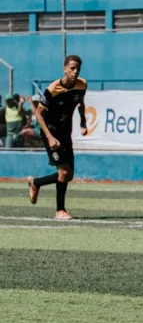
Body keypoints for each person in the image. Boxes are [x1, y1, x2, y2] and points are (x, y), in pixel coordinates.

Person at [27, 55, 88, 220]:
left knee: (68, 175)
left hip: (65, 133)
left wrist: (83, 122)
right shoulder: (52, 89)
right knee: (63, 171)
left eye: (78, 69)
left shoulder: (82, 85)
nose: (75, 72)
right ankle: (60, 210)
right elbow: (38, 114)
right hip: (51, 132)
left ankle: (36, 183)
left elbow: (80, 103)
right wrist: (50, 137)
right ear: (65, 68)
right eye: (72, 68)